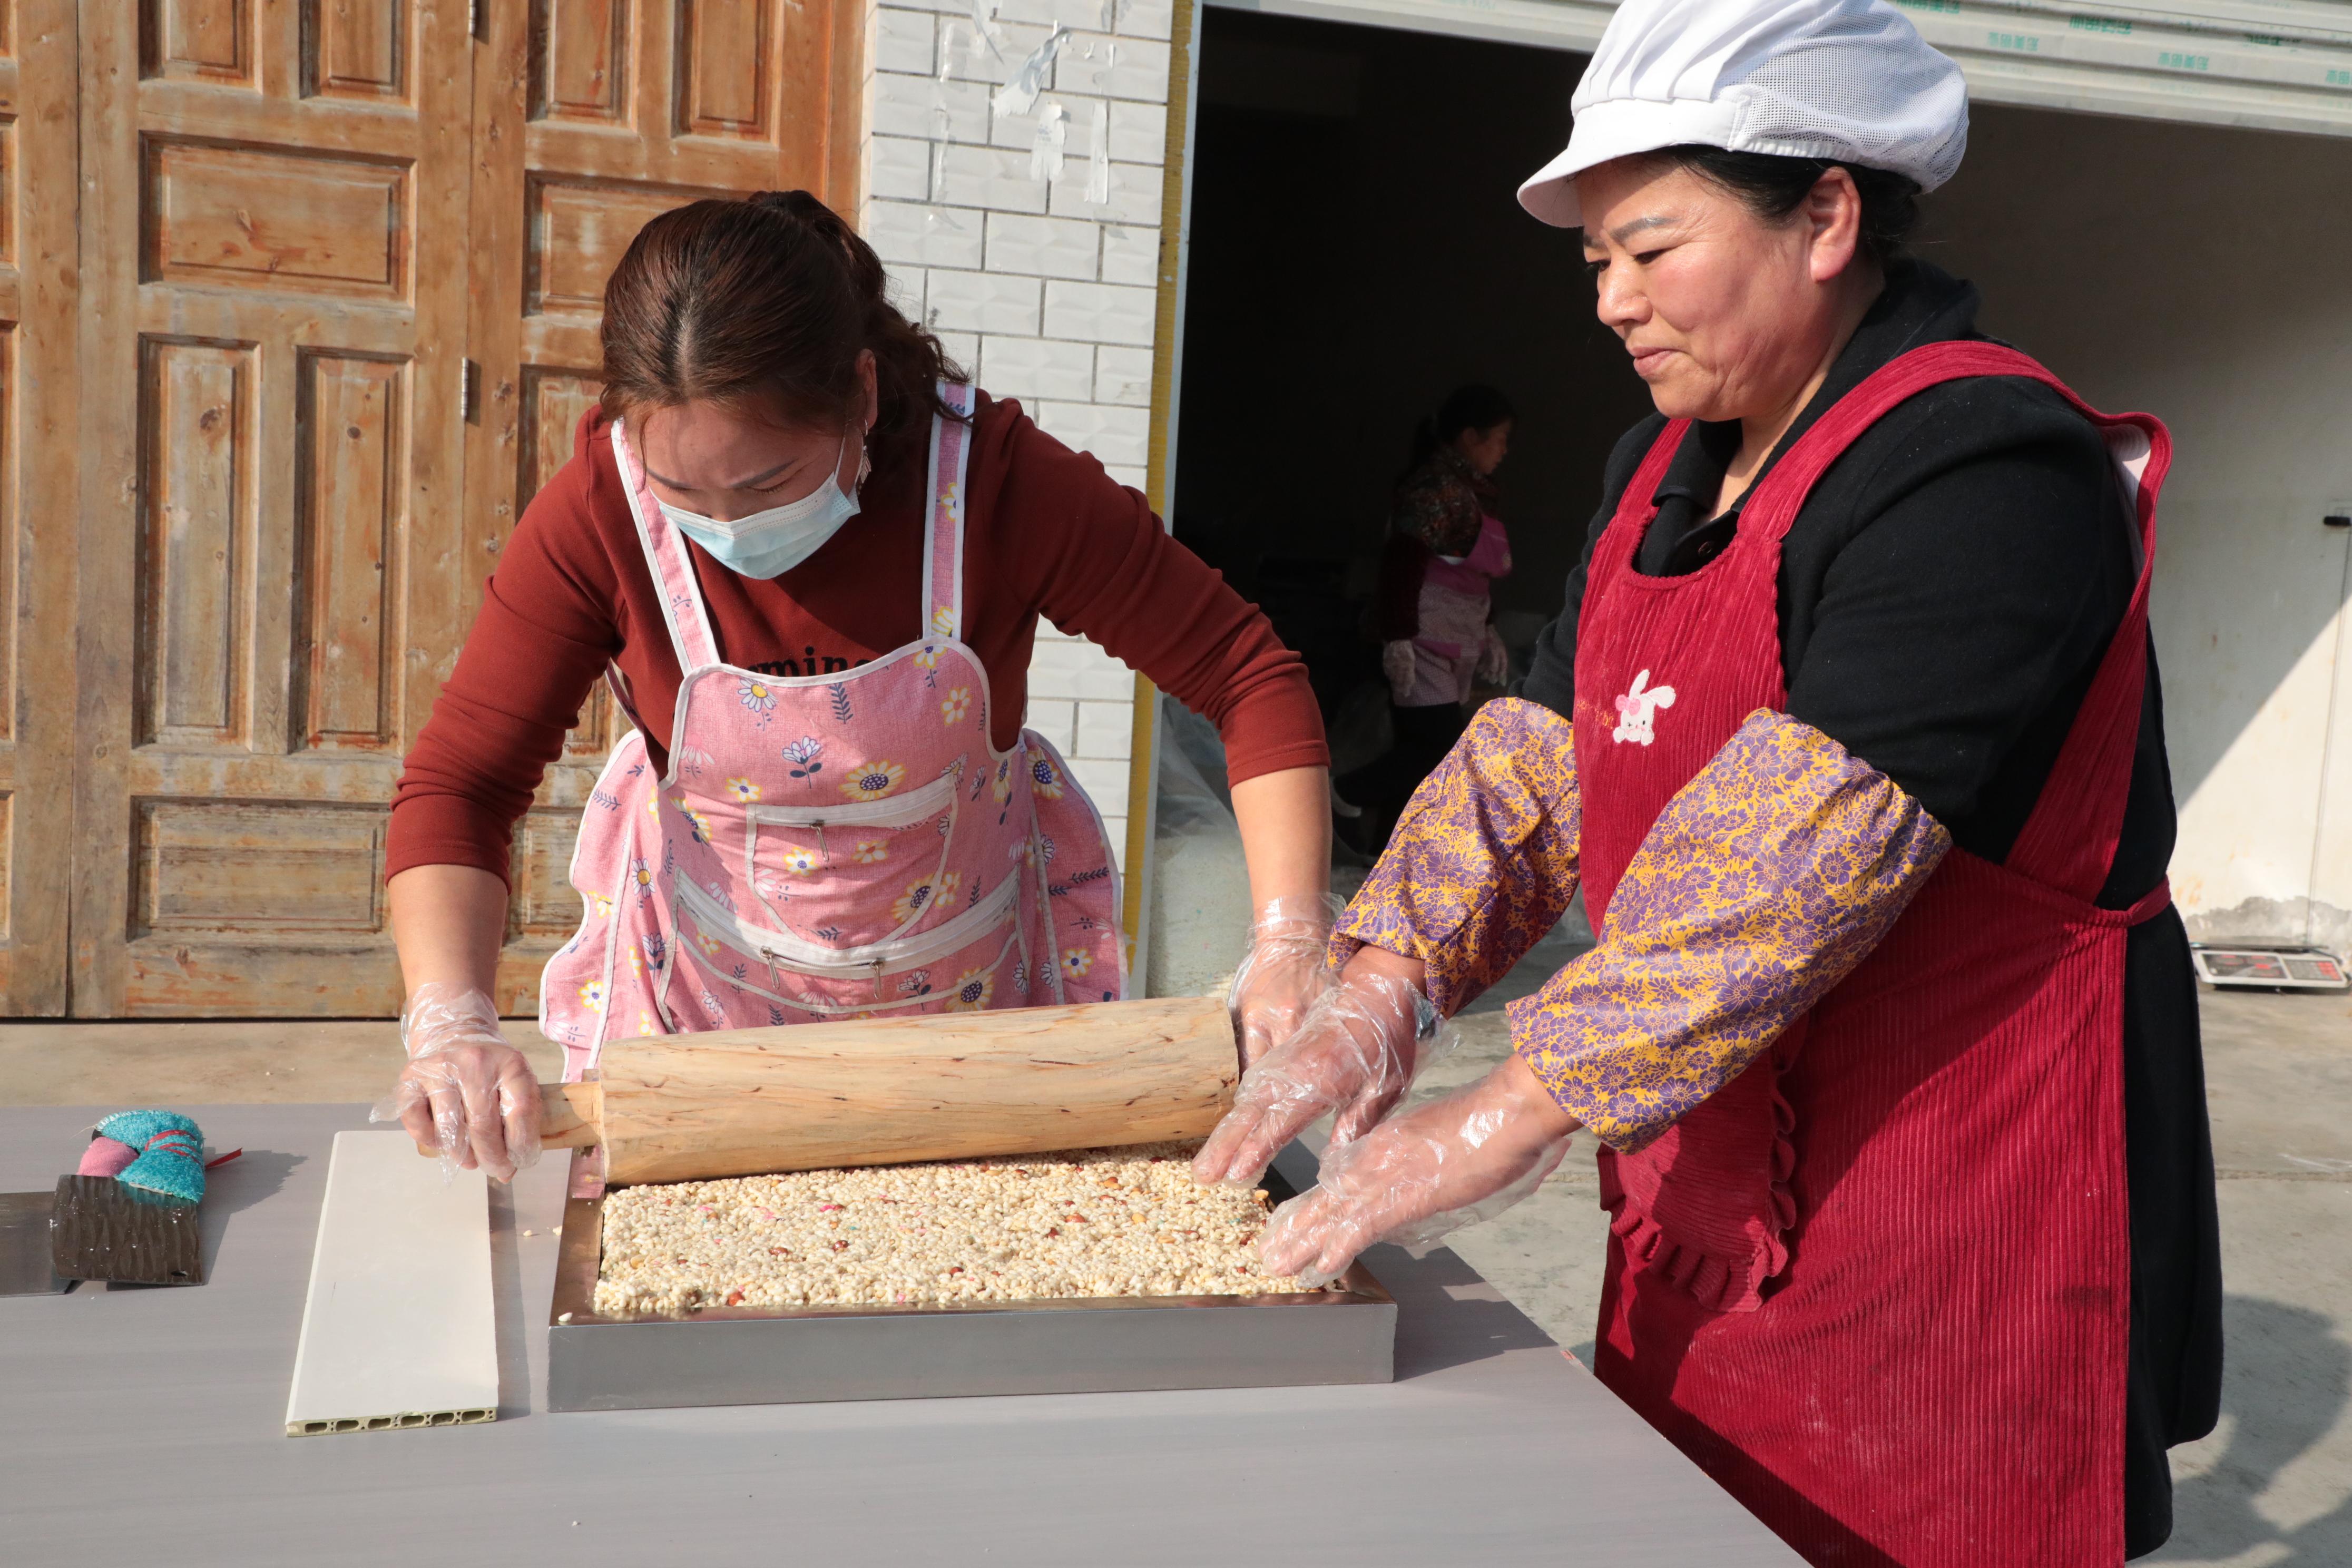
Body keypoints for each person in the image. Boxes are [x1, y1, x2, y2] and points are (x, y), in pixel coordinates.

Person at [1195, 1, 2222, 1561]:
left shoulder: (1982, 467)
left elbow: (1782, 872)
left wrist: (1494, 1118)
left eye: (1649, 248)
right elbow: (1535, 763)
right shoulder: (1658, 465)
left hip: (1959, 1198)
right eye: (1595, 259)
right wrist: (1379, 980)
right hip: (1711, 1159)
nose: (1612, 301)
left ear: (1825, 214)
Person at [380, 192, 1337, 1181]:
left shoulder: (997, 484)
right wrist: (451, 1017)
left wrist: (1290, 938)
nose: (729, 530)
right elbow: (463, 788)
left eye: (765, 485)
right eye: (683, 493)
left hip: (968, 1031)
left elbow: (1244, 674)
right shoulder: (597, 509)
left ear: (862, 396)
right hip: (709, 1028)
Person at [1334, 387, 1515, 843]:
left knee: (1419, 751)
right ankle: (1344, 793)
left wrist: (1489, 628)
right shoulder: (1437, 487)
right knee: (1438, 745)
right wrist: (1398, 638)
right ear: (1471, 437)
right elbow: (1404, 562)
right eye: (1500, 438)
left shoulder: (1472, 492)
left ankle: (1387, 849)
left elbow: (1468, 573)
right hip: (1420, 640)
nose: (1504, 451)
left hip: (1453, 636)